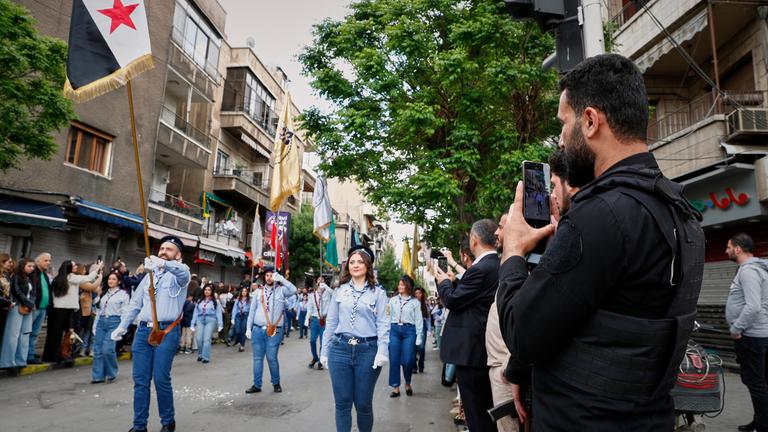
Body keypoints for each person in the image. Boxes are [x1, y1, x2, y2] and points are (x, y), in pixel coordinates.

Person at [496, 54, 705, 430]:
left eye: (564, 123)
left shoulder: (601, 215)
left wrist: (513, 251)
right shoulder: (681, 212)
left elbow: (524, 333)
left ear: (590, 121)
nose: (560, 138)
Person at [111, 235, 191, 432]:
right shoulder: (149, 275)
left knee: (161, 378)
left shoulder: (180, 274)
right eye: (161, 248)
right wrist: (123, 325)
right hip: (143, 331)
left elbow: (184, 272)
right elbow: (135, 304)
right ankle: (139, 426)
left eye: (169, 249)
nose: (163, 251)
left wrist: (163, 263)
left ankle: (167, 422)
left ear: (178, 255)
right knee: (140, 381)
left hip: (166, 331)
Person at [433, 219, 500, 432]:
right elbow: (469, 296)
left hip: (472, 352)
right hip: (483, 349)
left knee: (476, 414)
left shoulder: (481, 269)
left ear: (474, 240)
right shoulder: (496, 265)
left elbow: (452, 300)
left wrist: (443, 282)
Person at [320, 245, 389, 432]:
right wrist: (324, 351)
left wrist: (382, 350)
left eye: (360, 262)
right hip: (339, 349)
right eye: (352, 262)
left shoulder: (379, 293)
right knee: (342, 404)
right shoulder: (339, 291)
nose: (355, 265)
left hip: (367, 351)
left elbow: (383, 324)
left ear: (368, 266)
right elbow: (331, 323)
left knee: (363, 404)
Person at [725, 233, 768, 432]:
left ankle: (762, 425)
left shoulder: (748, 271)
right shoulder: (757, 269)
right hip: (759, 335)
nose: (726, 251)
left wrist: (736, 328)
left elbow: (753, 306)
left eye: (728, 247)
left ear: (738, 248)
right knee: (761, 382)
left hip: (751, 337)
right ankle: (760, 420)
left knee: (756, 382)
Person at [244, 266, 297, 394]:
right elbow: (251, 312)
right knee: (257, 359)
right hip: (257, 329)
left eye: (271, 275)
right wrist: (248, 328)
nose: (269, 278)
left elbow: (294, 290)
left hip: (275, 330)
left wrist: (282, 279)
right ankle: (257, 384)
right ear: (264, 277)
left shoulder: (282, 290)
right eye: (267, 275)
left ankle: (276, 382)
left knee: (271, 357)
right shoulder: (258, 292)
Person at [43, 260, 102, 363]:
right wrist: (98, 270)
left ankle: (51, 356)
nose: (76, 267)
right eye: (74, 265)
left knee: (55, 334)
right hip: (63, 309)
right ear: (69, 267)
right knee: (61, 334)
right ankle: (54, 356)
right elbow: (88, 278)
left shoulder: (61, 278)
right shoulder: (70, 277)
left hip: (59, 309)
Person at [387, 275, 423, 398]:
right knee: (394, 359)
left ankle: (408, 383)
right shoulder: (392, 300)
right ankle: (395, 387)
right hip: (394, 330)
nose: (400, 286)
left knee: (408, 360)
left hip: (409, 331)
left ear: (408, 286)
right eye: (399, 284)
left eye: (402, 284)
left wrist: (419, 336)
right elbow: (387, 316)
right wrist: (386, 333)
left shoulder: (415, 302)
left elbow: (419, 320)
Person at [91, 271, 130, 383]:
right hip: (101, 322)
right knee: (98, 350)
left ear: (119, 281)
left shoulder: (124, 294)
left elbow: (125, 313)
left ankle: (111, 372)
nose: (110, 281)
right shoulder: (103, 293)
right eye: (109, 279)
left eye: (113, 279)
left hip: (114, 322)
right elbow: (98, 310)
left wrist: (122, 328)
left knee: (107, 349)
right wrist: (95, 325)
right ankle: (98, 376)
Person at [0, 258, 36, 375]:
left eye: (33, 266)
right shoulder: (15, 276)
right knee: (12, 336)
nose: (32, 268)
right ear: (23, 266)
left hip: (28, 308)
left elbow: (34, 293)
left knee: (24, 335)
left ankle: (20, 361)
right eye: (29, 266)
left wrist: (30, 304)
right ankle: (7, 362)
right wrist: (28, 303)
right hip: (17, 307)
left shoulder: (30, 278)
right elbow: (17, 291)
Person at [28, 252, 51, 364]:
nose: (48, 263)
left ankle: (30, 353)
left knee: (35, 333)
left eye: (49, 260)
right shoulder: (33, 273)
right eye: (46, 260)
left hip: (42, 309)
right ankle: (28, 355)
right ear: (38, 261)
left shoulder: (45, 275)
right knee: (29, 332)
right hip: (35, 308)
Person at [191, 283, 223, 364]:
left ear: (211, 291)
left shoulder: (215, 302)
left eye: (209, 290)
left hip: (210, 319)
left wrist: (220, 324)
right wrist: (192, 323)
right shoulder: (199, 301)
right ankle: (200, 354)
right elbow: (195, 312)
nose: (207, 291)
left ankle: (205, 357)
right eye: (205, 290)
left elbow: (219, 313)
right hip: (200, 319)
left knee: (206, 339)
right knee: (198, 339)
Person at [77, 263, 103, 357]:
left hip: (94, 311)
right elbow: (95, 296)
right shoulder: (88, 282)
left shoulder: (96, 283)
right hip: (87, 310)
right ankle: (83, 349)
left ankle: (91, 349)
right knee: (87, 331)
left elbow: (97, 300)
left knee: (92, 332)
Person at [307, 275, 331, 370]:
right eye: (319, 279)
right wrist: (307, 318)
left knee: (323, 342)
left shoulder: (328, 293)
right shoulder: (312, 294)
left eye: (323, 280)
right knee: (312, 340)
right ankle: (315, 357)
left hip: (324, 320)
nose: (321, 281)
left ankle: (321, 360)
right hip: (314, 320)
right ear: (316, 282)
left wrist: (326, 287)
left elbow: (334, 294)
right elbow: (310, 307)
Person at [413, 286, 430, 374]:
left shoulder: (425, 304)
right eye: (416, 293)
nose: (418, 295)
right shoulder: (411, 303)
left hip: (422, 327)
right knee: (413, 347)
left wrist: (429, 329)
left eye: (419, 293)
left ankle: (421, 365)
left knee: (421, 347)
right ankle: (414, 367)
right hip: (412, 327)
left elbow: (428, 318)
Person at [0, 254, 13, 350]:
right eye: (9, 262)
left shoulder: (6, 274)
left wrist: (10, 302)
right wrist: (8, 302)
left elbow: (9, 291)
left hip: (4, 308)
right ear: (2, 262)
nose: (11, 264)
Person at [231, 287, 250, 352]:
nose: (244, 292)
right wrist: (233, 318)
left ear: (247, 292)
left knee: (243, 331)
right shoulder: (238, 299)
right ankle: (238, 340)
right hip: (238, 315)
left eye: (245, 291)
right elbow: (234, 309)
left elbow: (251, 310)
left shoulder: (249, 300)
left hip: (245, 315)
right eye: (243, 291)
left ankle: (242, 345)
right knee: (237, 331)